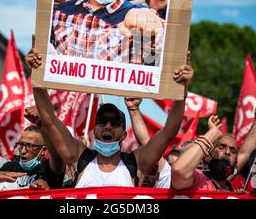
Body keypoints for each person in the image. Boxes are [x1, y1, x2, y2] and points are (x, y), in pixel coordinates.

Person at [26, 36, 193, 188]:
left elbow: (169, 131)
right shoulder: (79, 158)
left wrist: (181, 90)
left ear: (123, 134)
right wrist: (37, 75)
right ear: (95, 129)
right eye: (102, 121)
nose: (107, 126)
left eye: (114, 122)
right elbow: (50, 122)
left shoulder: (136, 162)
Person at [171, 105, 256, 191]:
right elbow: (179, 171)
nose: (227, 152)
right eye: (221, 147)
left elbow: (245, 153)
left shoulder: (230, 187)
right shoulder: (197, 178)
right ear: (208, 155)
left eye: (233, 150)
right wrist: (213, 132)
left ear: (236, 163)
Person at [124, 97, 173, 188]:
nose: (146, 175)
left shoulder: (166, 181)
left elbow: (146, 143)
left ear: (158, 175)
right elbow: (146, 143)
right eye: (142, 167)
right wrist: (133, 108)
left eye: (151, 171)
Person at [0, 125, 65, 190]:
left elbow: (57, 158)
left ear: (43, 150)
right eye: (21, 144)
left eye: (29, 146)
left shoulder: (49, 170)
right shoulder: (9, 168)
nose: (23, 151)